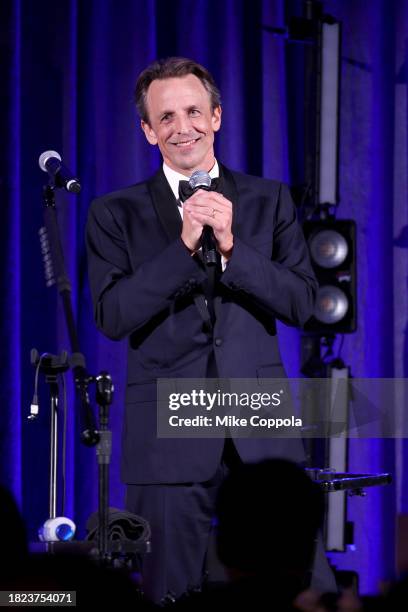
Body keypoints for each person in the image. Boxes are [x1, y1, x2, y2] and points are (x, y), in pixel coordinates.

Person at [86, 56, 335, 603]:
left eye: (194, 111)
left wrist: (230, 248)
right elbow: (113, 314)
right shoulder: (114, 213)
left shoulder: (269, 201)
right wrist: (182, 245)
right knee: (169, 593)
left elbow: (303, 303)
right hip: (169, 437)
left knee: (299, 592)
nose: (184, 128)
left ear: (217, 116)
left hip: (259, 433)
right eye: (167, 117)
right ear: (149, 130)